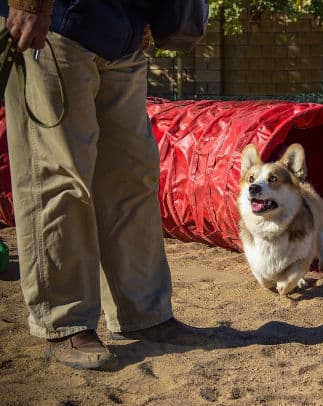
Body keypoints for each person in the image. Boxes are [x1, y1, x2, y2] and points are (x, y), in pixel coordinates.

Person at [0, 0, 210, 370]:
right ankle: (64, 322)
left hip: (123, 32)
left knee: (132, 178)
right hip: (56, 25)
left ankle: (143, 313)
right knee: (60, 178)